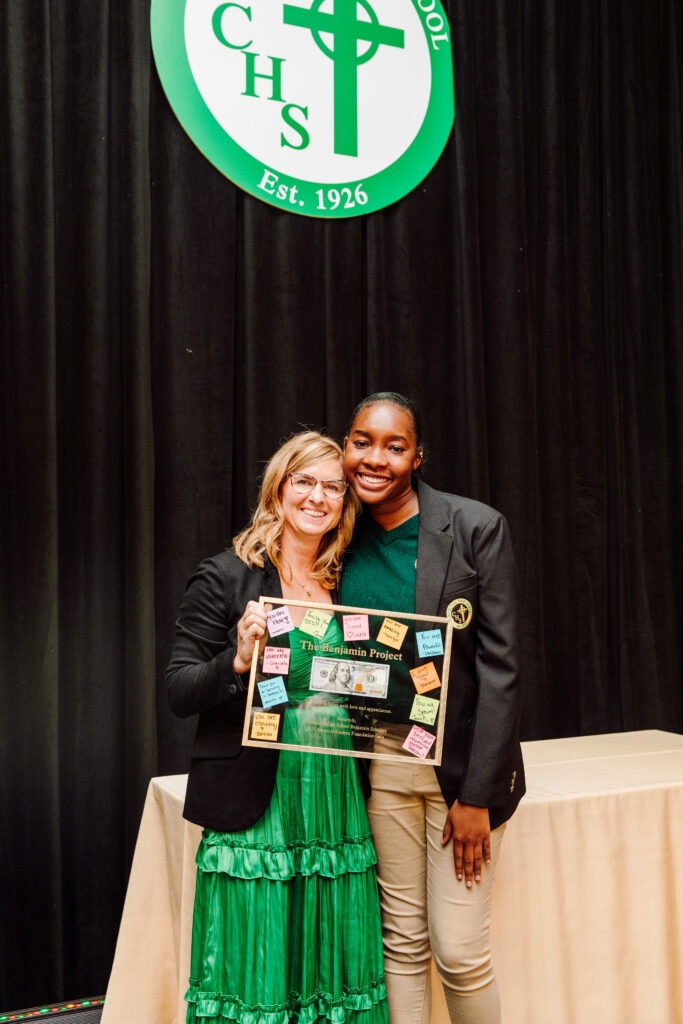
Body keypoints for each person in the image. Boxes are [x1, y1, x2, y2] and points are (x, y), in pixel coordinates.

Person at [166, 431, 388, 1024]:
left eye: (333, 487)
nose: (318, 497)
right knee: (256, 959)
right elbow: (179, 689)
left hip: (335, 799)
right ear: (279, 489)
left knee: (329, 963)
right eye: (305, 482)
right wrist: (236, 661)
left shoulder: (350, 583)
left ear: (346, 501)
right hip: (258, 799)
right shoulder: (225, 576)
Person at [340, 393, 525, 1024]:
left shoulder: (474, 527)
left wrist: (476, 796)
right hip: (382, 761)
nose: (375, 458)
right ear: (346, 446)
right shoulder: (335, 528)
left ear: (418, 457)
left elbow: (500, 669)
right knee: (404, 944)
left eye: (394, 446)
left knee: (459, 951)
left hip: (460, 769)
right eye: (362, 441)